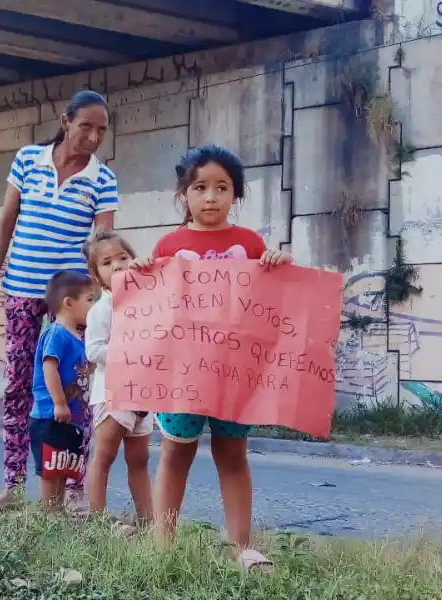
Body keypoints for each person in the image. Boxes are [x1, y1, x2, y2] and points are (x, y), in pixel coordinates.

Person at [131, 145, 293, 571]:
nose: (210, 197)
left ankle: (242, 547)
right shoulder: (169, 245)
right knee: (175, 454)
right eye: (200, 187)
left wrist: (276, 263)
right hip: (184, 376)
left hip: (236, 376)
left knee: (233, 454)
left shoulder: (251, 244)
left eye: (222, 188)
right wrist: (147, 270)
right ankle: (162, 546)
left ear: (235, 196)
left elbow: (273, 296)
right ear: (184, 193)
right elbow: (155, 308)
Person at [0, 90, 119, 517]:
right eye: (86, 126)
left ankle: (74, 489)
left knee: (76, 391)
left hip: (73, 303)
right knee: (19, 388)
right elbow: (5, 224)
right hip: (21, 289)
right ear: (64, 121)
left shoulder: (103, 179)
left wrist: (107, 298)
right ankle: (13, 485)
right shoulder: (27, 160)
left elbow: (104, 245)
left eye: (102, 130)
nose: (94, 136)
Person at [82, 231, 152, 534]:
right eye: (108, 263)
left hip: (143, 394)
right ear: (97, 276)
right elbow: (93, 350)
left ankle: (148, 520)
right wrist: (127, 349)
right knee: (105, 455)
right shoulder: (102, 309)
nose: (119, 266)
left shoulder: (148, 303)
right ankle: (97, 519)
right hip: (112, 392)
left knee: (140, 458)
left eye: (123, 258)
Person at [28, 270, 96, 513]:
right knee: (50, 469)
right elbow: (49, 367)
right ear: (68, 303)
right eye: (90, 300)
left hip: (69, 417)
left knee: (61, 466)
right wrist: (59, 403)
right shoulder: (57, 334)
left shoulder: (78, 337)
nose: (94, 306)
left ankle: (56, 512)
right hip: (50, 415)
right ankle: (48, 515)